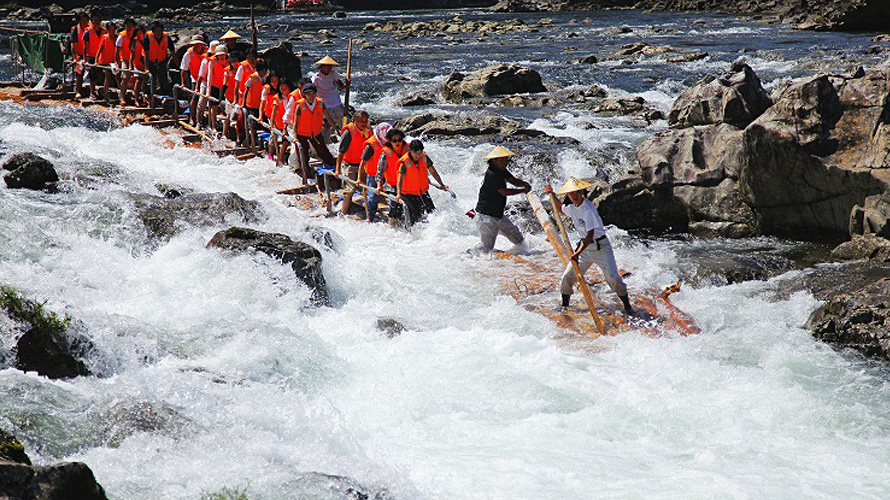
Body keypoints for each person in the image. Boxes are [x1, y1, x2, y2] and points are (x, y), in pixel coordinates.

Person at [543, 178, 633, 314]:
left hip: (600, 247)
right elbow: (561, 209)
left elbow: (590, 235)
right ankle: (565, 306)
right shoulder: (573, 207)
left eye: (576, 193)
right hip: (585, 248)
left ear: (582, 192)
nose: (574, 196)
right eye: (571, 194)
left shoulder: (588, 208)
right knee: (568, 277)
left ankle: (627, 306)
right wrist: (552, 194)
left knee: (613, 278)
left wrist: (576, 254)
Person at [474, 146, 530, 253]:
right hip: (486, 216)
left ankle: (523, 256)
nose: (506, 162)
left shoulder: (502, 170)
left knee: (518, 238)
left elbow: (514, 181)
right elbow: (504, 192)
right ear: (494, 160)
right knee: (486, 247)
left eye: (506, 159)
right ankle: (467, 257)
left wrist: (524, 184)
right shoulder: (493, 174)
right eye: (502, 159)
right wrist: (523, 191)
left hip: (498, 214)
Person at [394, 139, 449, 227]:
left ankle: (433, 232)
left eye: (420, 153)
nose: (418, 155)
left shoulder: (424, 157)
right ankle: (409, 233)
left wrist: (442, 185)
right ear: (410, 151)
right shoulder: (404, 163)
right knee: (416, 215)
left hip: (422, 190)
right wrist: (398, 194)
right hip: (408, 193)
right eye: (416, 153)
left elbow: (433, 172)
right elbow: (400, 180)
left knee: (433, 213)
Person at [291, 83, 338, 185]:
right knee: (303, 153)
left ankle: (333, 167)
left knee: (322, 150)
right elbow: (296, 122)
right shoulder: (300, 105)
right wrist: (295, 137)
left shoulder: (320, 103)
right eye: (308, 94)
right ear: (304, 95)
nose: (311, 96)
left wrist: (336, 128)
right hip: (302, 133)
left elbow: (328, 116)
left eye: (313, 93)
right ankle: (306, 173)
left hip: (315, 132)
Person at [335, 110, 372, 216]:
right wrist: (338, 170)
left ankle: (369, 214)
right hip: (349, 164)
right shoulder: (349, 132)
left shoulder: (369, 130)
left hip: (363, 164)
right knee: (349, 191)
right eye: (360, 121)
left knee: (367, 189)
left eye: (365, 121)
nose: (363, 123)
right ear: (354, 120)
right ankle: (343, 213)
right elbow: (341, 152)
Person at [311, 56, 348, 144]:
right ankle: (324, 144)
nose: (329, 68)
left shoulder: (333, 74)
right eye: (327, 66)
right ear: (322, 67)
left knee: (342, 121)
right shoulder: (316, 78)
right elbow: (312, 91)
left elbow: (340, 85)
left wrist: (346, 84)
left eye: (330, 66)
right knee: (327, 124)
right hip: (325, 104)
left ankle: (346, 140)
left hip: (336, 101)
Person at [358, 122, 390, 222]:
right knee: (372, 197)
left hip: (387, 173)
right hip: (373, 174)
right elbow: (362, 162)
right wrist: (359, 178)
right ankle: (370, 217)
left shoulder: (390, 142)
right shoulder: (371, 145)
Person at [375, 128, 408, 225]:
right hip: (392, 185)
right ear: (390, 141)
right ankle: (392, 227)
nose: (397, 142)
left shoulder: (408, 150)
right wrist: (379, 185)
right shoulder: (385, 153)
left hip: (406, 184)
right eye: (394, 140)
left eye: (399, 140)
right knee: (394, 207)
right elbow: (379, 171)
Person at [239, 59, 269, 154]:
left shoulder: (267, 78)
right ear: (259, 70)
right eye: (262, 71)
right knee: (252, 124)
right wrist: (243, 103)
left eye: (265, 71)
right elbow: (246, 91)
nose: (264, 73)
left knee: (264, 123)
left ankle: (263, 143)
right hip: (252, 104)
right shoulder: (252, 78)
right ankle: (252, 142)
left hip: (262, 105)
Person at [180, 35, 208, 126]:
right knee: (194, 98)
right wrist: (183, 83)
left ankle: (204, 118)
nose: (196, 46)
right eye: (194, 44)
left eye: (198, 44)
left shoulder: (207, 52)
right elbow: (184, 70)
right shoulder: (188, 54)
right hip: (195, 79)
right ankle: (192, 118)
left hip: (207, 79)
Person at [202, 44, 230, 133]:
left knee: (225, 107)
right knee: (214, 106)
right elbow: (209, 76)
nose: (222, 57)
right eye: (219, 55)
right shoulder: (212, 62)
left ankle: (226, 128)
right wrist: (208, 91)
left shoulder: (229, 61)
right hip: (214, 86)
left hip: (225, 87)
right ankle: (213, 126)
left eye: (223, 55)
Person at [143, 21, 173, 96]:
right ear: (153, 31)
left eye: (160, 31)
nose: (158, 33)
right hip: (150, 60)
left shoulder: (166, 37)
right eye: (156, 31)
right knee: (151, 78)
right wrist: (146, 68)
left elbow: (172, 51)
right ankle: (150, 96)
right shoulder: (148, 37)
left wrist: (178, 64)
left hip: (162, 60)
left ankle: (165, 95)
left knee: (163, 79)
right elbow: (146, 53)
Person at [81, 12, 104, 98]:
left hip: (102, 56)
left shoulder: (104, 31)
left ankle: (102, 91)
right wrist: (84, 58)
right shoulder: (88, 31)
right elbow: (85, 46)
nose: (96, 22)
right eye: (94, 20)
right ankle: (92, 92)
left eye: (98, 20)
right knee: (92, 75)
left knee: (101, 74)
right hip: (91, 56)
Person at [94, 21, 118, 102]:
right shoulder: (104, 37)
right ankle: (106, 95)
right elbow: (99, 50)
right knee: (107, 78)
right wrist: (96, 60)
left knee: (118, 78)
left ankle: (122, 95)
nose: (112, 31)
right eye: (111, 29)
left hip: (114, 62)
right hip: (105, 61)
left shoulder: (117, 37)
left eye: (114, 29)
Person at [114, 18, 136, 104]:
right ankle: (122, 97)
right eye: (127, 26)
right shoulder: (122, 35)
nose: (129, 27)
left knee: (140, 77)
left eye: (131, 26)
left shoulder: (137, 34)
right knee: (125, 77)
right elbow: (117, 50)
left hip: (136, 59)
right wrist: (117, 62)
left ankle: (138, 95)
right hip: (125, 59)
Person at [69, 13, 89, 98]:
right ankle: (78, 91)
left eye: (86, 21)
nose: (84, 23)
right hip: (79, 53)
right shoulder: (75, 29)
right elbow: (73, 45)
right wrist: (74, 58)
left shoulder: (90, 29)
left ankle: (93, 91)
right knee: (79, 72)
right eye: (83, 21)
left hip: (89, 53)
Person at [128, 24, 147, 106]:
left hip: (145, 65)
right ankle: (136, 99)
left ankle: (143, 98)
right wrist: (130, 66)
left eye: (141, 33)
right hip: (137, 64)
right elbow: (132, 55)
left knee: (144, 82)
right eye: (138, 33)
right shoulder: (134, 42)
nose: (139, 35)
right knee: (138, 80)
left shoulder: (146, 41)